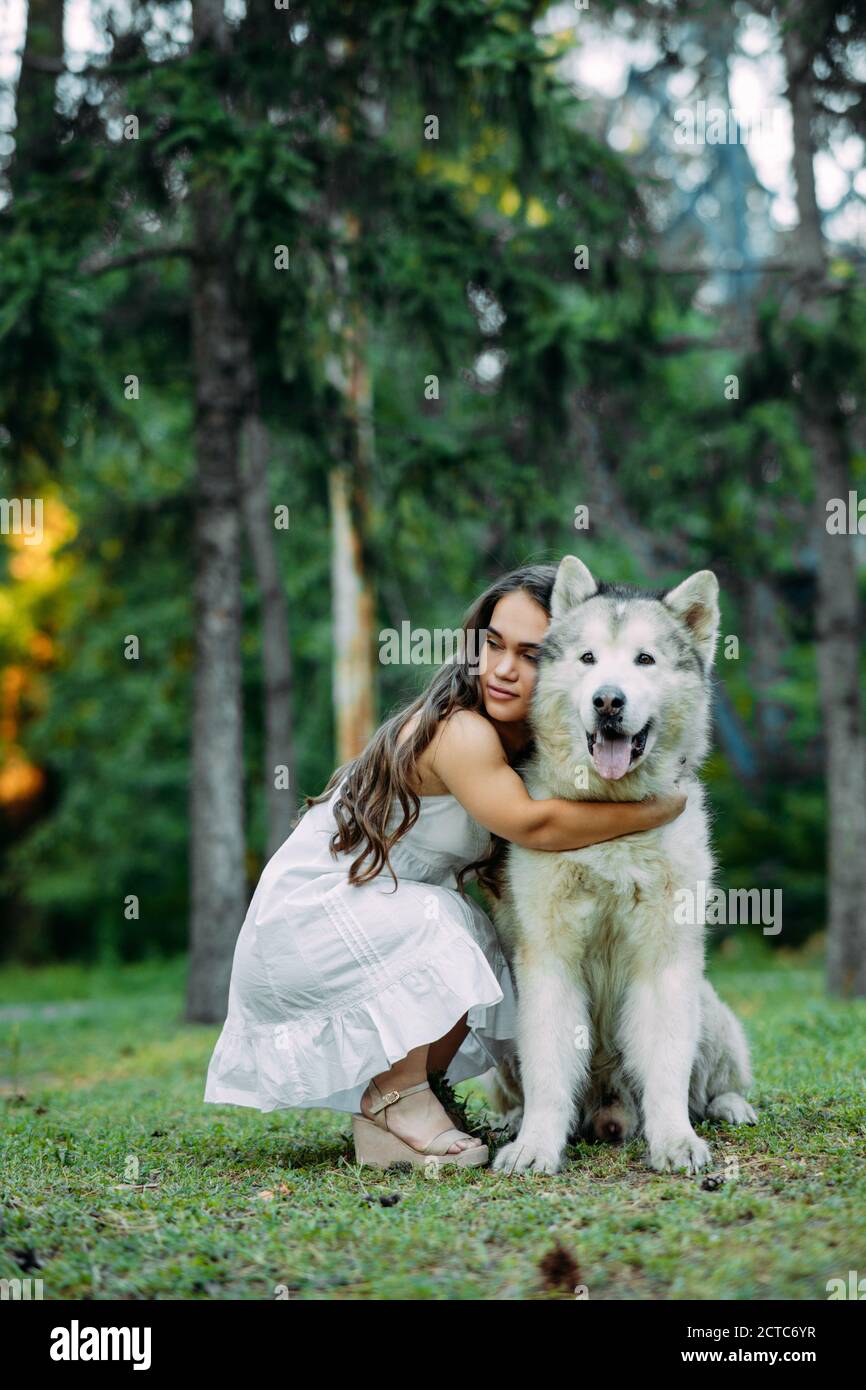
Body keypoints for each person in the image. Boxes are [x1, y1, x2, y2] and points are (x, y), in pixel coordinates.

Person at [203, 561, 686, 1169]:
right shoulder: (464, 731)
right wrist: (655, 810)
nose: (504, 670)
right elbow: (533, 825)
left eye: (531, 654)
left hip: (366, 917)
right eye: (493, 645)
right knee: (448, 922)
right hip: (306, 926)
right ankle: (395, 1099)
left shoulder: (529, 741)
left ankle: (398, 1108)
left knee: (480, 935)